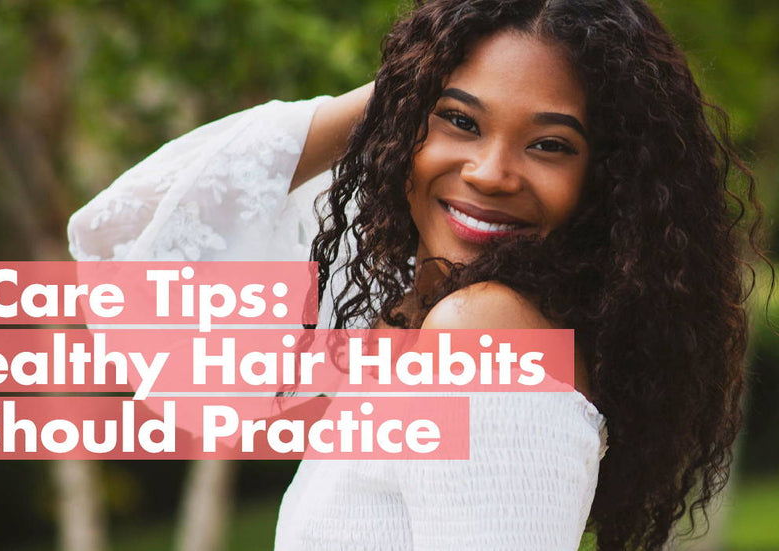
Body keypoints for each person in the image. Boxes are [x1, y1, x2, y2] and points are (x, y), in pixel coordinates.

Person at [67, 0, 766, 549]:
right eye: (460, 120)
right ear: (406, 128)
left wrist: (432, 91)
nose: (491, 172)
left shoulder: (483, 331)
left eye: (550, 144)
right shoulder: (435, 315)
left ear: (604, 181)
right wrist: (407, 85)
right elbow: (129, 240)